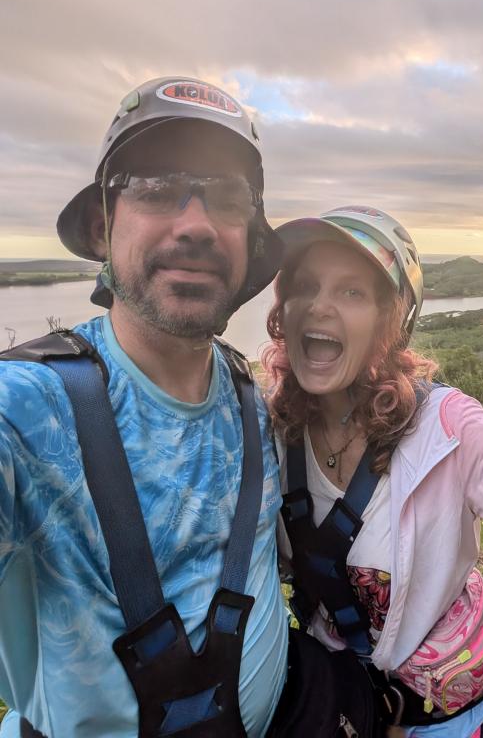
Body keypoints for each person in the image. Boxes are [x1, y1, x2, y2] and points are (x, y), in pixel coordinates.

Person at [0, 77, 290, 737]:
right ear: (104, 226)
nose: (195, 225)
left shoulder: (254, 405)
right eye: (157, 191)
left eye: (226, 198)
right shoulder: (25, 412)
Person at [262, 206, 483, 736]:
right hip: (335, 703)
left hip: (437, 713)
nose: (319, 306)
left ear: (391, 319)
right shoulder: (271, 430)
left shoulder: (449, 428)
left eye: (351, 292)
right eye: (305, 286)